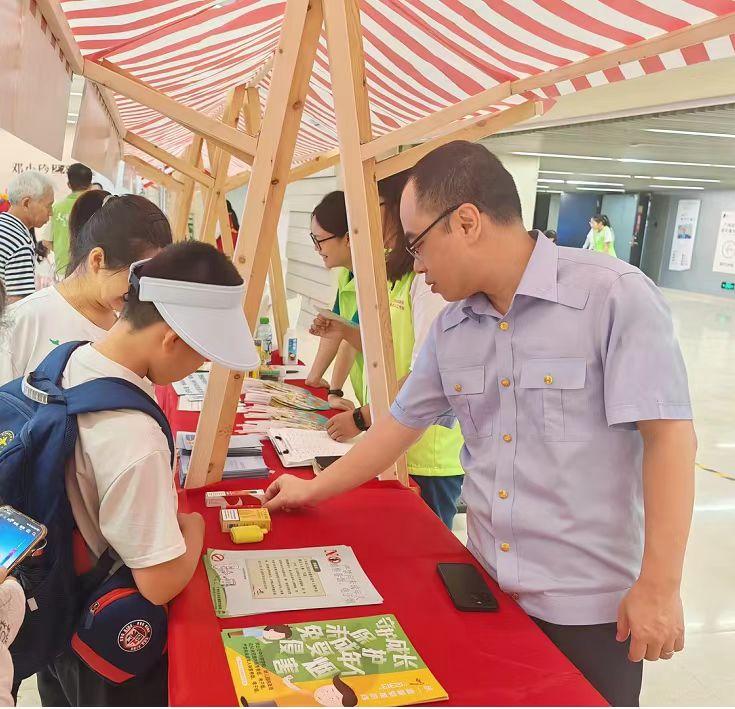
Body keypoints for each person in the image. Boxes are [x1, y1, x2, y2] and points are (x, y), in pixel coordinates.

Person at [264, 141, 697, 707]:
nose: (417, 265)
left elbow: (669, 439)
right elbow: (397, 426)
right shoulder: (453, 329)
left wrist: (660, 586)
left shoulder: (612, 296)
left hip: (591, 612)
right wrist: (313, 489)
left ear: (466, 221)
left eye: (417, 243)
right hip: (485, 592)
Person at [37, 240, 256, 706]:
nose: (202, 365)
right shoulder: (134, 437)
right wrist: (195, 528)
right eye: (202, 355)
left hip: (54, 611)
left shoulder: (72, 360)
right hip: (103, 641)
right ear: (171, 340)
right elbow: (158, 583)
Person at [308, 178, 465, 529]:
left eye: (370, 206)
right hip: (391, 440)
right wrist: (345, 331)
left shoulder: (427, 281)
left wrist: (362, 417)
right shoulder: (392, 273)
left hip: (426, 454)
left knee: (422, 548)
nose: (361, 219)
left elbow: (428, 374)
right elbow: (385, 351)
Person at [0, 192, 172, 385]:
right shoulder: (22, 322)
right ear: (98, 260)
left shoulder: (133, 328)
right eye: (139, 275)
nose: (143, 290)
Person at [0, 171, 54, 304]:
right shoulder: (19, 242)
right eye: (48, 206)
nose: (51, 213)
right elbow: (19, 304)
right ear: (26, 203)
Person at [45, 163, 93, 278]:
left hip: (62, 269)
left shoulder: (57, 208)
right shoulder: (96, 206)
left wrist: (62, 252)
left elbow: (46, 241)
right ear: (90, 185)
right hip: (90, 269)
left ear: (69, 185)